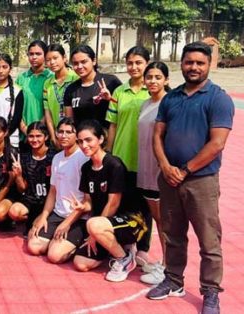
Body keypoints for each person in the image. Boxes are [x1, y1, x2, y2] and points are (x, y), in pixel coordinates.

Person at [148, 42, 234, 314]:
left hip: (201, 181)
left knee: (209, 240)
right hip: (170, 179)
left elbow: (217, 144)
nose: (194, 67)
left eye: (200, 62)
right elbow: (157, 135)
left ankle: (210, 291)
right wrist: (165, 166)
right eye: (189, 62)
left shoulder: (218, 98)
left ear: (209, 65)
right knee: (172, 234)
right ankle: (173, 280)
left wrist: (184, 170)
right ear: (181, 64)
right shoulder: (171, 98)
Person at [71, 119, 148, 283]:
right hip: (104, 224)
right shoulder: (86, 168)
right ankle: (115, 246)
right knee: (81, 263)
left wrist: (94, 231)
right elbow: (89, 202)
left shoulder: (115, 165)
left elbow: (113, 203)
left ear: (100, 139)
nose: (84, 145)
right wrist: (82, 206)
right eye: (80, 141)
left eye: (88, 140)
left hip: (132, 221)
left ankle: (124, 258)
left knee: (93, 224)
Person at [101, 46, 154, 270]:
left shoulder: (155, 91)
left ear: (147, 64)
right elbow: (112, 125)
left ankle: (144, 247)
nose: (133, 67)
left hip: (146, 159)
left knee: (147, 206)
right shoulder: (120, 92)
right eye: (130, 63)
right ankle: (127, 245)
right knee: (124, 203)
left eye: (138, 63)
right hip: (122, 157)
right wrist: (110, 154)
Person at [27, 117, 88, 264]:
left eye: (69, 132)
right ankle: (57, 239)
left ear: (76, 135)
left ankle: (77, 243)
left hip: (78, 217)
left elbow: (87, 201)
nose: (64, 136)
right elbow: (53, 192)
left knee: (54, 256)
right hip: (58, 214)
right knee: (33, 247)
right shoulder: (57, 158)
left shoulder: (84, 158)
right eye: (60, 132)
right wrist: (43, 217)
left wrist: (66, 223)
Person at [136, 61, 170, 285]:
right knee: (158, 219)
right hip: (145, 168)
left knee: (165, 221)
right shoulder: (146, 103)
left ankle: (169, 269)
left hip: (161, 171)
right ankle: (167, 263)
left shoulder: (170, 103)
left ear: (166, 79)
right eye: (149, 77)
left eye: (158, 77)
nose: (153, 81)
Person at [7, 122, 54, 235]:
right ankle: (30, 219)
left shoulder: (54, 157)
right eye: (31, 136)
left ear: (46, 137)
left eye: (38, 136)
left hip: (48, 203)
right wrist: (18, 175)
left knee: (35, 235)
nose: (34, 139)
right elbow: (22, 189)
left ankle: (42, 219)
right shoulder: (24, 157)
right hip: (30, 201)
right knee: (14, 212)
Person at [64, 45, 121, 128]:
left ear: (94, 61)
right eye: (75, 63)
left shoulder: (111, 82)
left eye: (84, 62)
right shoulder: (71, 89)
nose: (79, 66)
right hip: (82, 139)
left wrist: (110, 99)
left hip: (107, 137)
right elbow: (69, 122)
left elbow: (125, 109)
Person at [42, 44, 79, 148]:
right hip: (57, 136)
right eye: (48, 60)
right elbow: (47, 112)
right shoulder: (47, 83)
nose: (52, 62)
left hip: (74, 136)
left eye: (55, 58)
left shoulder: (76, 78)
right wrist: (54, 136)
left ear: (64, 58)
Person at [16, 40, 54, 135]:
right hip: (23, 132)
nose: (34, 57)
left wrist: (38, 128)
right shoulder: (21, 78)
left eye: (38, 54)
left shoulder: (51, 78)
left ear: (45, 55)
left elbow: (51, 106)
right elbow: (14, 105)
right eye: (31, 54)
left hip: (45, 132)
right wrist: (24, 127)